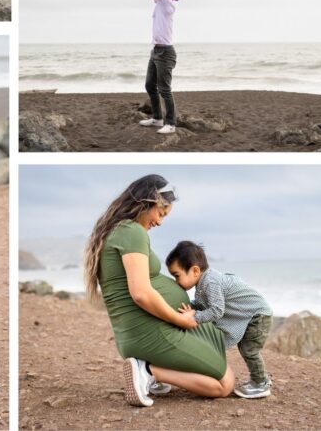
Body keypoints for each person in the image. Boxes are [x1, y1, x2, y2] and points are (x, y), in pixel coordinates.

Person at [84, 175, 235, 408]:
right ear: (147, 201)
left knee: (213, 341)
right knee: (224, 384)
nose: (160, 222)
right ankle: (148, 371)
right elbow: (141, 293)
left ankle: (151, 368)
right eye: (161, 213)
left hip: (146, 330)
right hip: (150, 332)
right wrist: (179, 320)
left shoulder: (121, 230)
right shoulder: (132, 231)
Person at [166, 241, 274, 399]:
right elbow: (204, 304)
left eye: (177, 276)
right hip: (253, 313)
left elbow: (216, 310)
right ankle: (260, 379)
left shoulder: (210, 282)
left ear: (195, 270)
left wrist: (194, 317)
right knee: (246, 348)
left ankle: (261, 383)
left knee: (249, 350)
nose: (176, 281)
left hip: (258, 315)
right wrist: (190, 307)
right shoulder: (204, 282)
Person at [137, 0, 183, 135]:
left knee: (164, 89)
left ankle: (170, 124)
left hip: (166, 53)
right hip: (156, 51)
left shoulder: (168, 3)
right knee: (150, 85)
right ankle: (157, 119)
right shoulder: (160, 2)